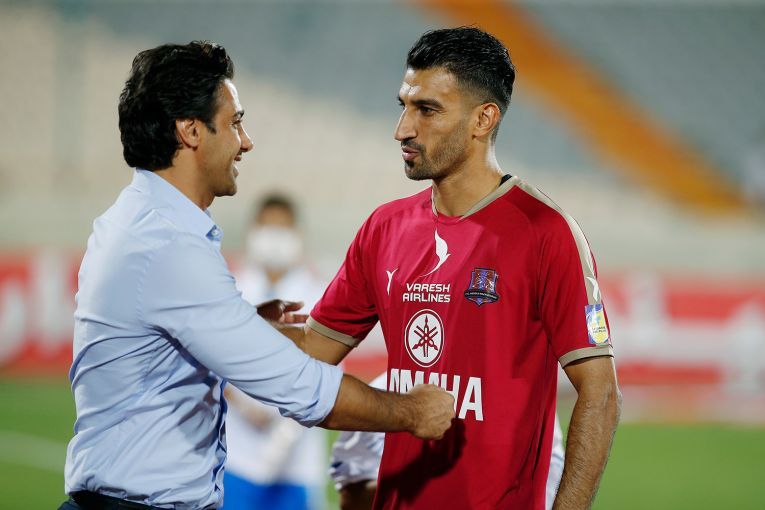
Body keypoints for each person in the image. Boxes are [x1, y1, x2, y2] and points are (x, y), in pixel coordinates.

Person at [59, 41, 455, 510]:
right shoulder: (167, 244)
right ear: (190, 131)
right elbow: (296, 386)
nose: (245, 142)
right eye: (234, 123)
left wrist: (240, 323)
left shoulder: (138, 222)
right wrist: (411, 412)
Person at [290, 28, 621, 509]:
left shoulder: (544, 232)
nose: (403, 129)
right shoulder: (384, 229)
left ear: (483, 118)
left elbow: (600, 392)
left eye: (427, 110)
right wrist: (221, 326)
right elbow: (307, 359)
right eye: (404, 106)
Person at [222, 194, 328, 510]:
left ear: (298, 235)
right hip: (235, 457)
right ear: (252, 232)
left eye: (282, 229)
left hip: (296, 464)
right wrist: (243, 403)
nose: (274, 238)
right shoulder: (230, 289)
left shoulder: (320, 295)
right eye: (267, 228)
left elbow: (326, 371)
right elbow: (211, 358)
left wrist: (281, 420)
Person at [329, 373, 566, 510]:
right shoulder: (385, 392)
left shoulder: (524, 397)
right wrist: (427, 487)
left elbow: (550, 481)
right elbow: (351, 498)